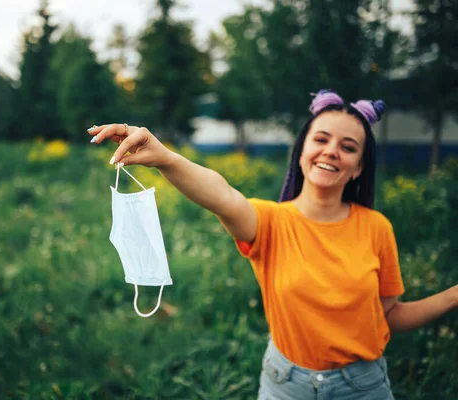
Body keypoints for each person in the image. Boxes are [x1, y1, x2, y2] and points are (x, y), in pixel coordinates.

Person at [87, 90, 458, 399]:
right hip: (286, 386)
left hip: (363, 387)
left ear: (359, 166)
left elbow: (390, 316)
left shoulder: (377, 229)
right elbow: (223, 195)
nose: (331, 151)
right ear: (301, 150)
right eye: (321, 139)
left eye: (348, 147)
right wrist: (166, 157)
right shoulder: (270, 222)